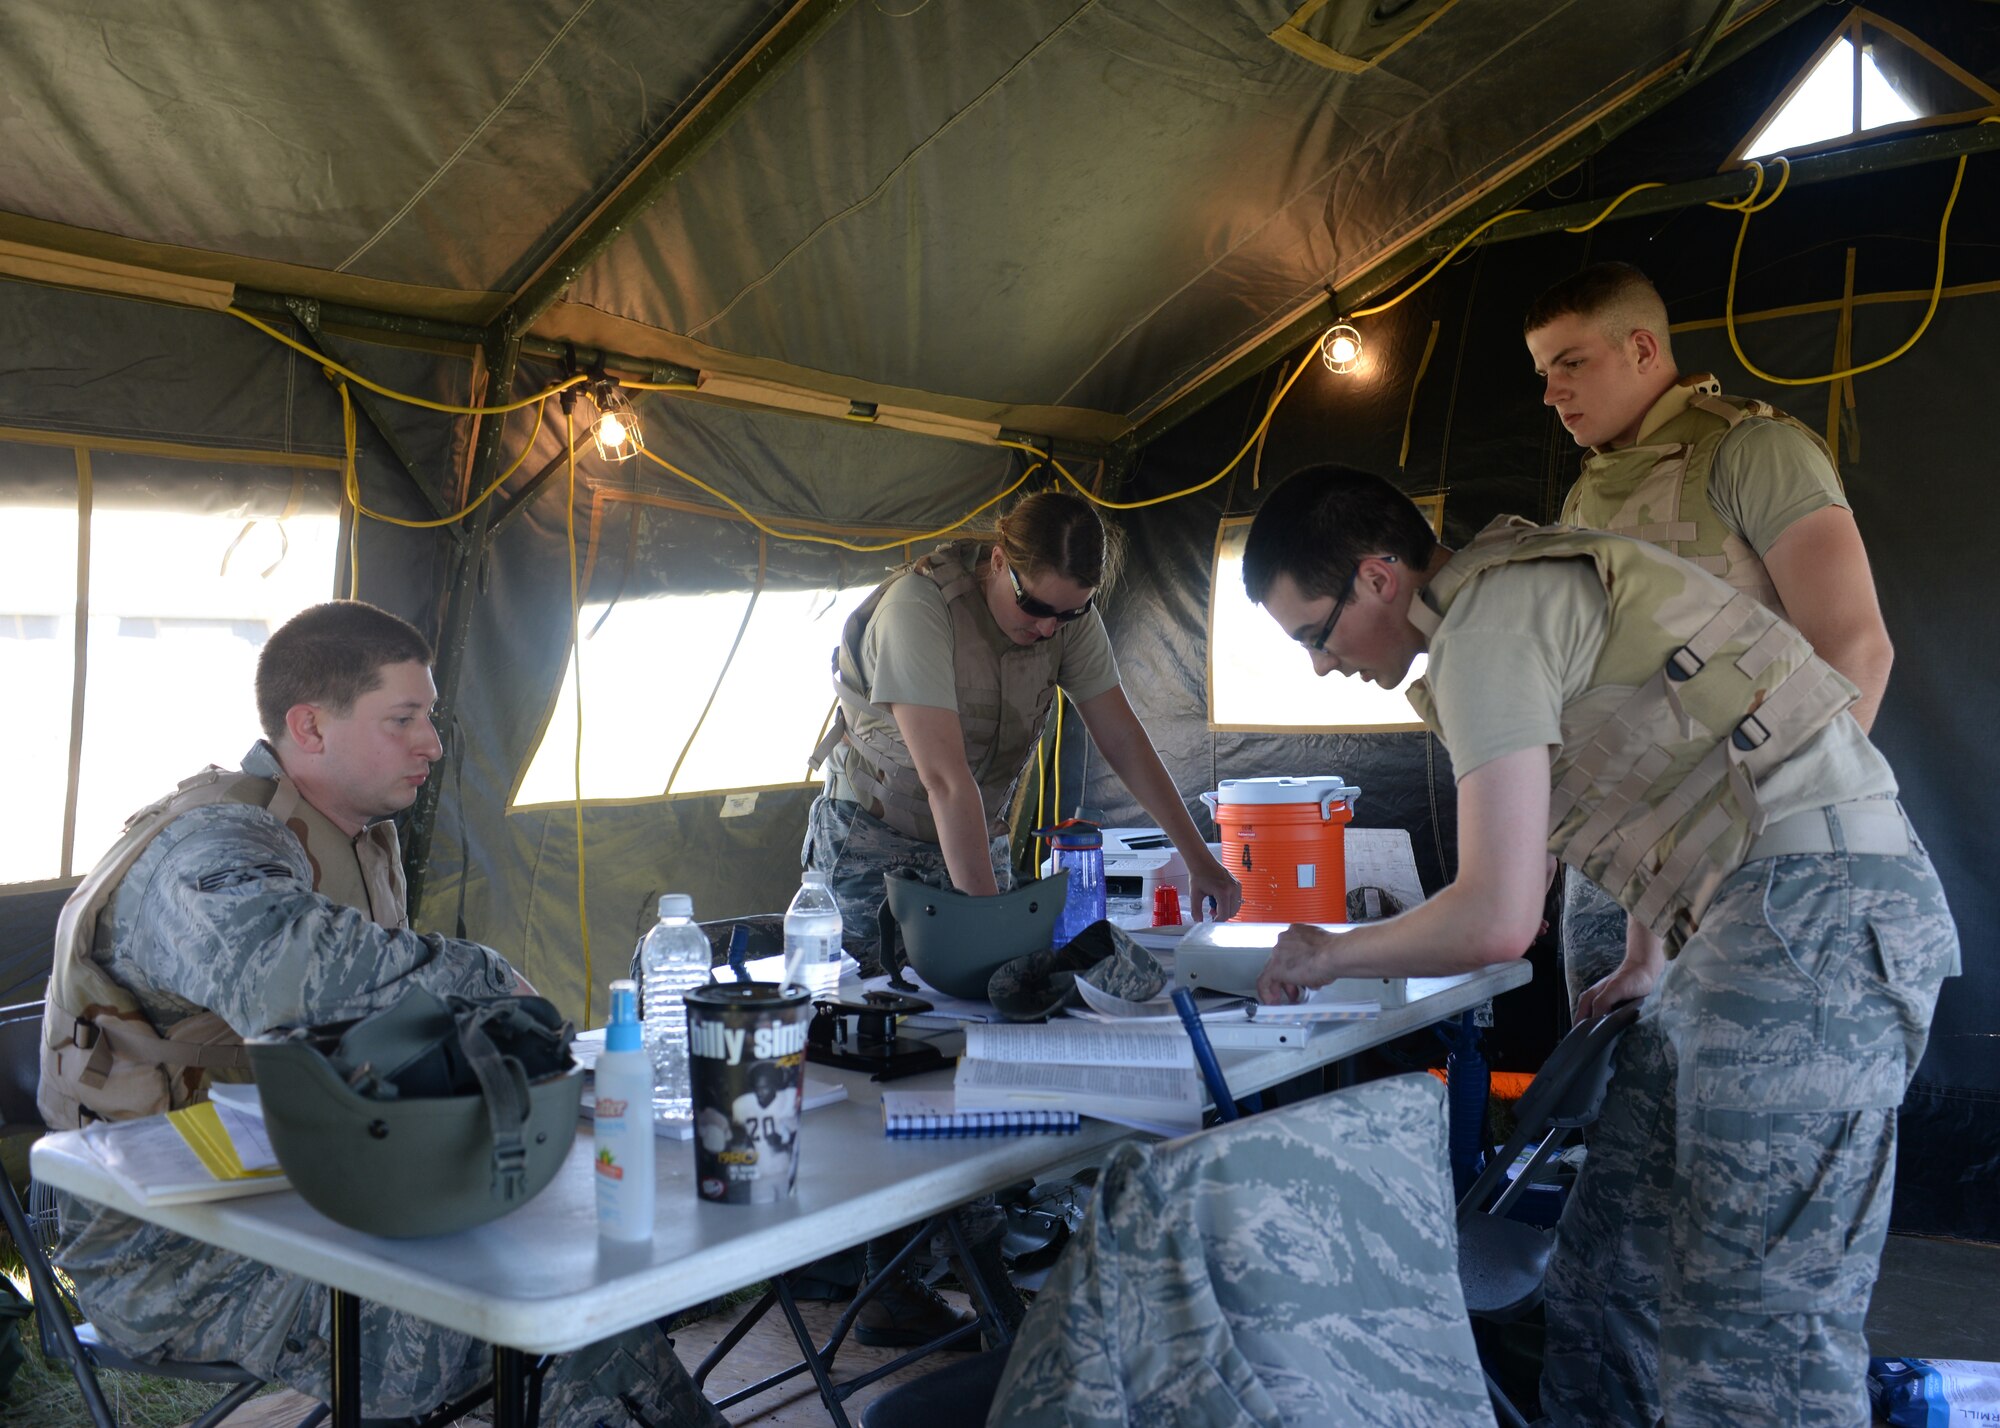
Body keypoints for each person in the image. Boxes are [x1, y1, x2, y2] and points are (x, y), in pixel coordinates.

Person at [1240, 467, 1957, 1427]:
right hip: (1745, 925)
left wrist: (1324, 954)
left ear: (1378, 579)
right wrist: (1645, 958)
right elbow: (1663, 772)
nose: (1321, 665)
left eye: (1313, 635)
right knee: (1608, 1261)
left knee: (1754, 1335)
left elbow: (1497, 914)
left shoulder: (1488, 633)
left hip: (1813, 919)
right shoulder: (1498, 607)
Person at [38, 601, 721, 1428]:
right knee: (542, 1314)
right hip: (173, 1246)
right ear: (311, 728)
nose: (431, 744)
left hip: (309, 1187)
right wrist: (490, 978)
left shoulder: (345, 834)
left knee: (585, 1255)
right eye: (402, 719)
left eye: (428, 718)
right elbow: (297, 979)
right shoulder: (208, 850)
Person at [802, 489, 1242, 1346]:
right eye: (1036, 606)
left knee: (988, 1050)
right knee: (884, 1063)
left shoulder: (1067, 615)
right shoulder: (920, 609)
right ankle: (882, 1282)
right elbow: (943, 782)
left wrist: (1198, 853)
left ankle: (968, 1254)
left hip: (972, 839)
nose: (1048, 628)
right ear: (1000, 561)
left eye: (1069, 613)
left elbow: (1121, 736)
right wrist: (984, 930)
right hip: (872, 842)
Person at [1525, 261, 1896, 1013]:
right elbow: (1623, 702)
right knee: (1627, 1106)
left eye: (1571, 364)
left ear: (1640, 349)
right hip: (1629, 866)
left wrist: (1773, 846)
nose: (1551, 392)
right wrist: (1641, 945)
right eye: (1541, 371)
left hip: (1764, 854)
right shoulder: (1588, 492)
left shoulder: (1752, 452)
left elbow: (1856, 649)